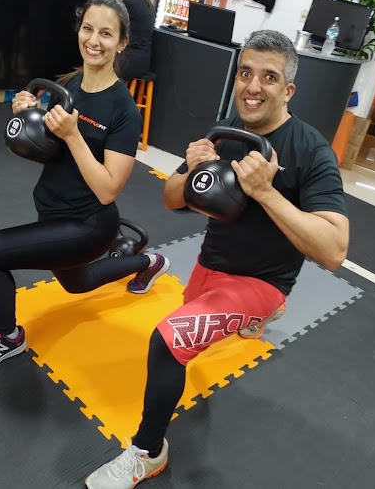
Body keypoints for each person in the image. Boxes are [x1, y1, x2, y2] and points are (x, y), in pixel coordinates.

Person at [84, 30, 350, 488]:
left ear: (288, 90)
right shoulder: (226, 132)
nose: (252, 86)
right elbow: (172, 199)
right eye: (245, 73)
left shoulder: (310, 150)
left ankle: (148, 452)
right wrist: (192, 167)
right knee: (186, 336)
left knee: (168, 341)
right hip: (209, 267)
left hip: (260, 283)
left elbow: (334, 251)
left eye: (269, 77)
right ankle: (255, 319)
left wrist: (265, 191)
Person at [0, 0, 170, 373]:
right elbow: (47, 152)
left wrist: (73, 135)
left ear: (122, 43)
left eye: (106, 33)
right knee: (78, 283)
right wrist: (28, 118)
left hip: (88, 225)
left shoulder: (123, 110)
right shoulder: (70, 85)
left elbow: (108, 189)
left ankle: (7, 337)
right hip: (52, 211)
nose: (94, 41)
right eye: (88, 29)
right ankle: (149, 261)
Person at [99, 0, 155, 82]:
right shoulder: (147, 3)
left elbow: (103, 18)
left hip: (126, 62)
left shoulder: (128, 4)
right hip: (143, 61)